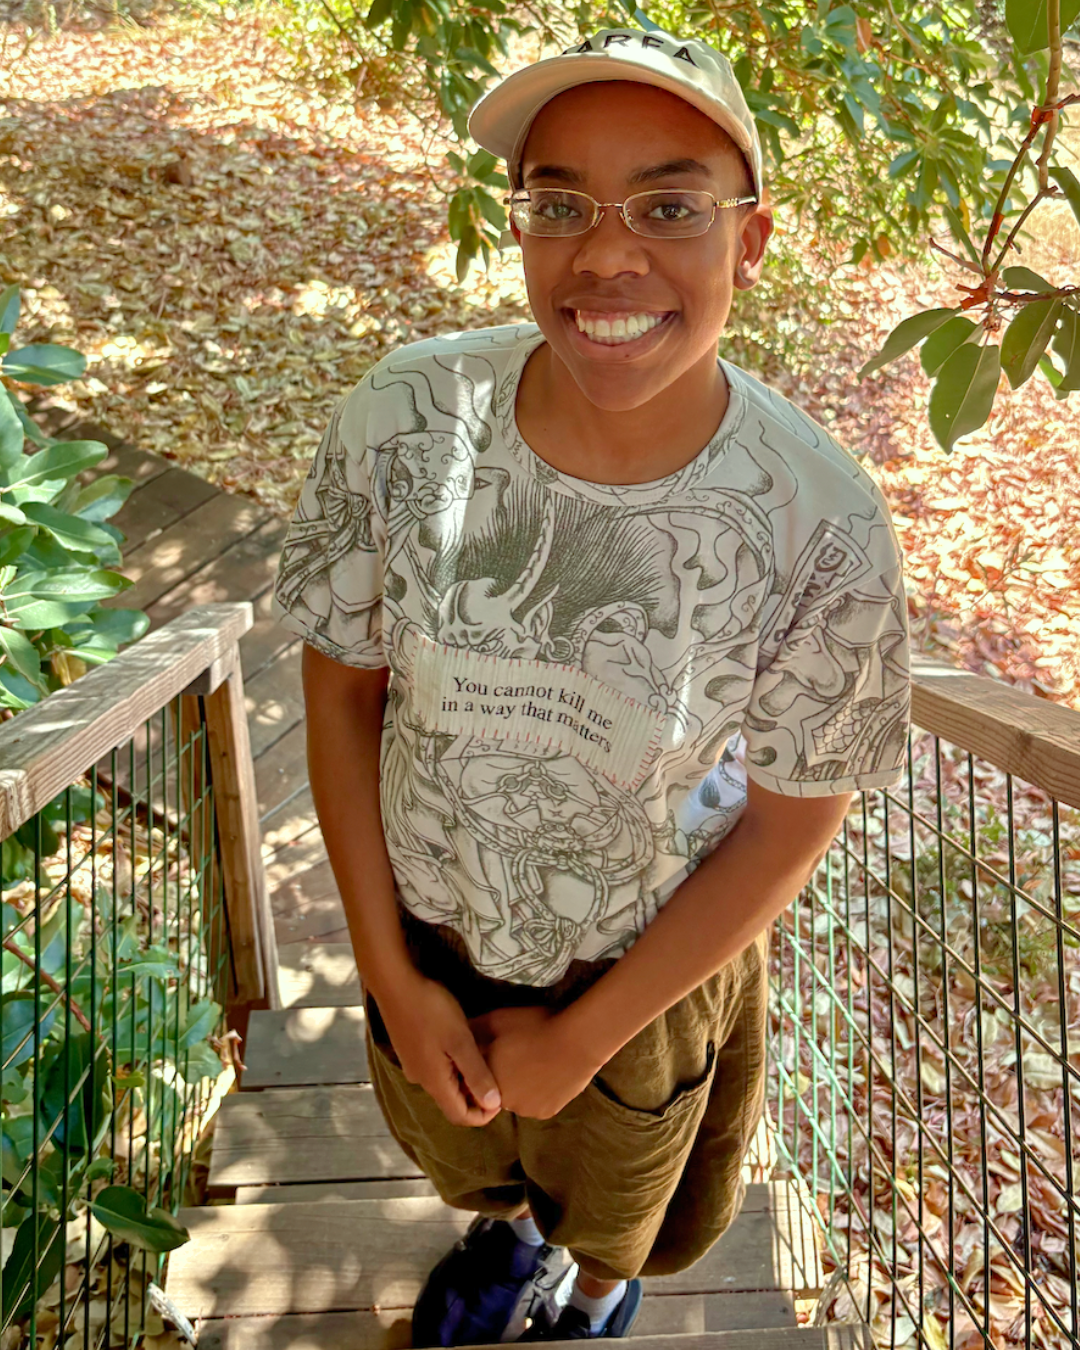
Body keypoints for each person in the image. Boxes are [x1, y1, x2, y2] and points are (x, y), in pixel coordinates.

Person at [273, 23, 911, 1347]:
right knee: (474, 1153)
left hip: (647, 968)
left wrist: (588, 1030)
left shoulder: (821, 518)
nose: (606, 253)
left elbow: (796, 814)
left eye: (670, 204)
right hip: (433, 926)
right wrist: (390, 973)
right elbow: (340, 690)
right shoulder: (399, 423)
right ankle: (505, 1244)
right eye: (560, 202)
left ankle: (598, 1295)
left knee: (621, 1196)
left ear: (752, 235)